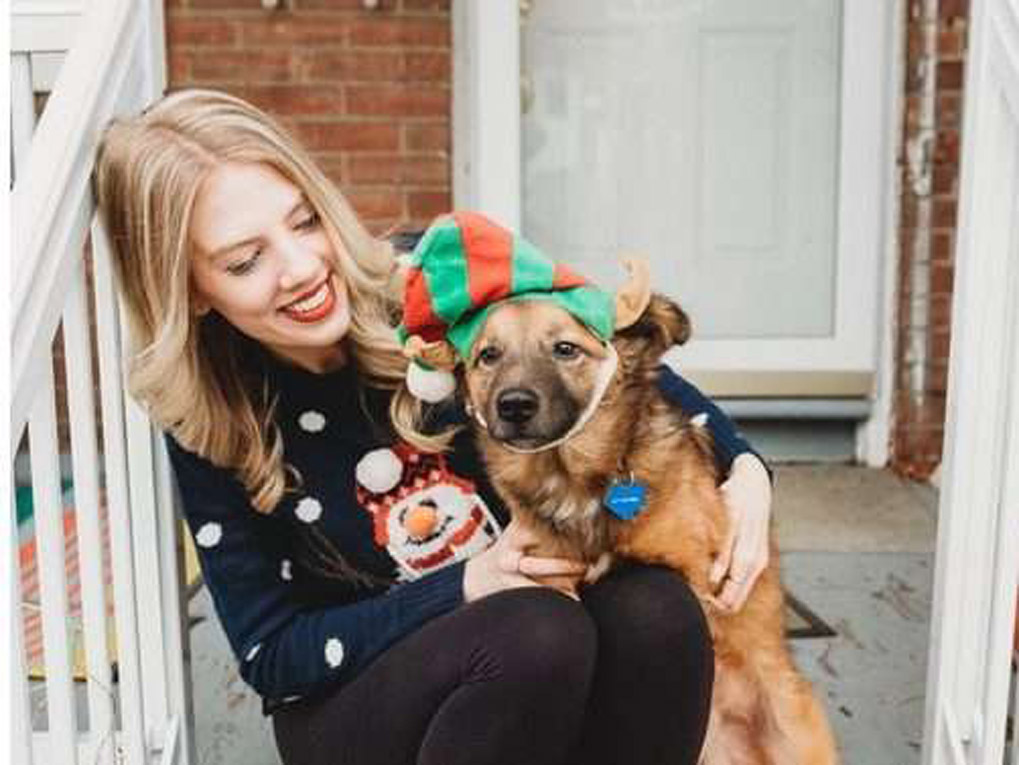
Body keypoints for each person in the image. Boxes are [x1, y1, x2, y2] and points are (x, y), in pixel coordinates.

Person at [94, 89, 774, 765]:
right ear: (188, 288)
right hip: (365, 701)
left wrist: (744, 468)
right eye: (245, 260)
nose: (302, 269)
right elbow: (271, 653)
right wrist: (465, 583)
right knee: (536, 630)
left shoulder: (435, 281)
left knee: (654, 608)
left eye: (304, 222)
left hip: (538, 658)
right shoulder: (210, 413)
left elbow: (615, 361)